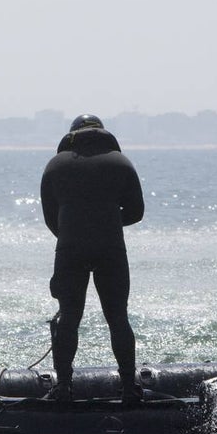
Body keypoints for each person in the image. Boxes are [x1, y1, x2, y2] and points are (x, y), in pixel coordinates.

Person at [40, 114, 145, 403]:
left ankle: (63, 388)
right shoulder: (121, 163)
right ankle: (129, 388)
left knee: (68, 318)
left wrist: (77, 229)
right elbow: (136, 212)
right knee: (117, 317)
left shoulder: (55, 165)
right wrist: (105, 222)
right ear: (103, 133)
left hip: (70, 248)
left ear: (72, 135)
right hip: (110, 247)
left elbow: (52, 219)